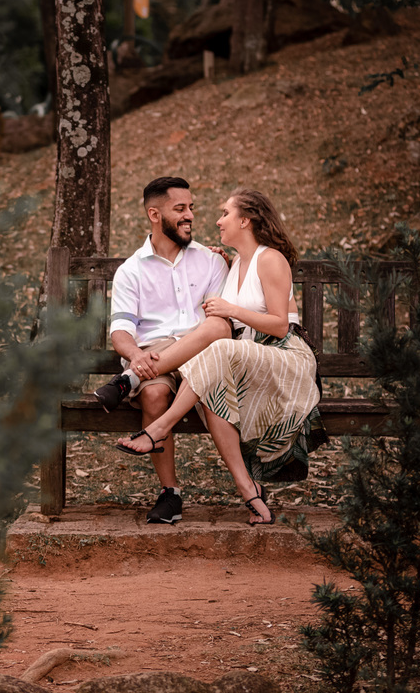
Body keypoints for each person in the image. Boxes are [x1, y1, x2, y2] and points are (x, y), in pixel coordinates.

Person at [114, 189, 327, 526]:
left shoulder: (270, 259)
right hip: (246, 358)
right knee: (214, 390)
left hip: (284, 356)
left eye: (225, 213)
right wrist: (223, 265)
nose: (216, 220)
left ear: (246, 220)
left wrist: (230, 309)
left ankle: (158, 423)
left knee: (218, 349)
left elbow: (280, 323)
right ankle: (250, 491)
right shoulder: (234, 262)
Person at [93, 176, 232, 525]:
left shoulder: (212, 261)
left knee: (196, 340)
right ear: (155, 214)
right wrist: (136, 355)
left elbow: (219, 324)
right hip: (155, 359)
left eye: (191, 208)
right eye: (180, 209)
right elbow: (122, 331)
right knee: (154, 394)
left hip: (204, 353)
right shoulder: (131, 270)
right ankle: (171, 495)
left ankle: (126, 380)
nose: (190, 217)